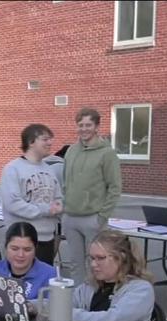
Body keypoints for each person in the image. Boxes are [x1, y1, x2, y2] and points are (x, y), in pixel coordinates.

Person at [62, 108, 122, 285]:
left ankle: (95, 301)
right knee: (75, 264)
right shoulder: (71, 151)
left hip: (93, 218)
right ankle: (79, 302)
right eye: (80, 125)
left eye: (88, 125)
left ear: (97, 127)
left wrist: (102, 216)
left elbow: (114, 187)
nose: (84, 129)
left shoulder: (107, 153)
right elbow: (65, 182)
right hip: (70, 217)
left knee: (96, 265)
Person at [0, 124, 64, 266]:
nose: (50, 143)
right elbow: (13, 204)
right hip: (22, 241)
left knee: (42, 284)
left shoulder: (49, 169)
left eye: (50, 139)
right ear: (31, 142)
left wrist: (59, 207)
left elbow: (58, 198)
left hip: (47, 239)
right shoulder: (13, 169)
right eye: (45, 139)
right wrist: (46, 210)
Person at [0, 222, 57, 300]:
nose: (20, 255)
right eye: (14, 249)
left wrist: (35, 306)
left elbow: (57, 306)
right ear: (6, 247)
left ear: (35, 249)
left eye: (27, 250)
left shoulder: (50, 275)